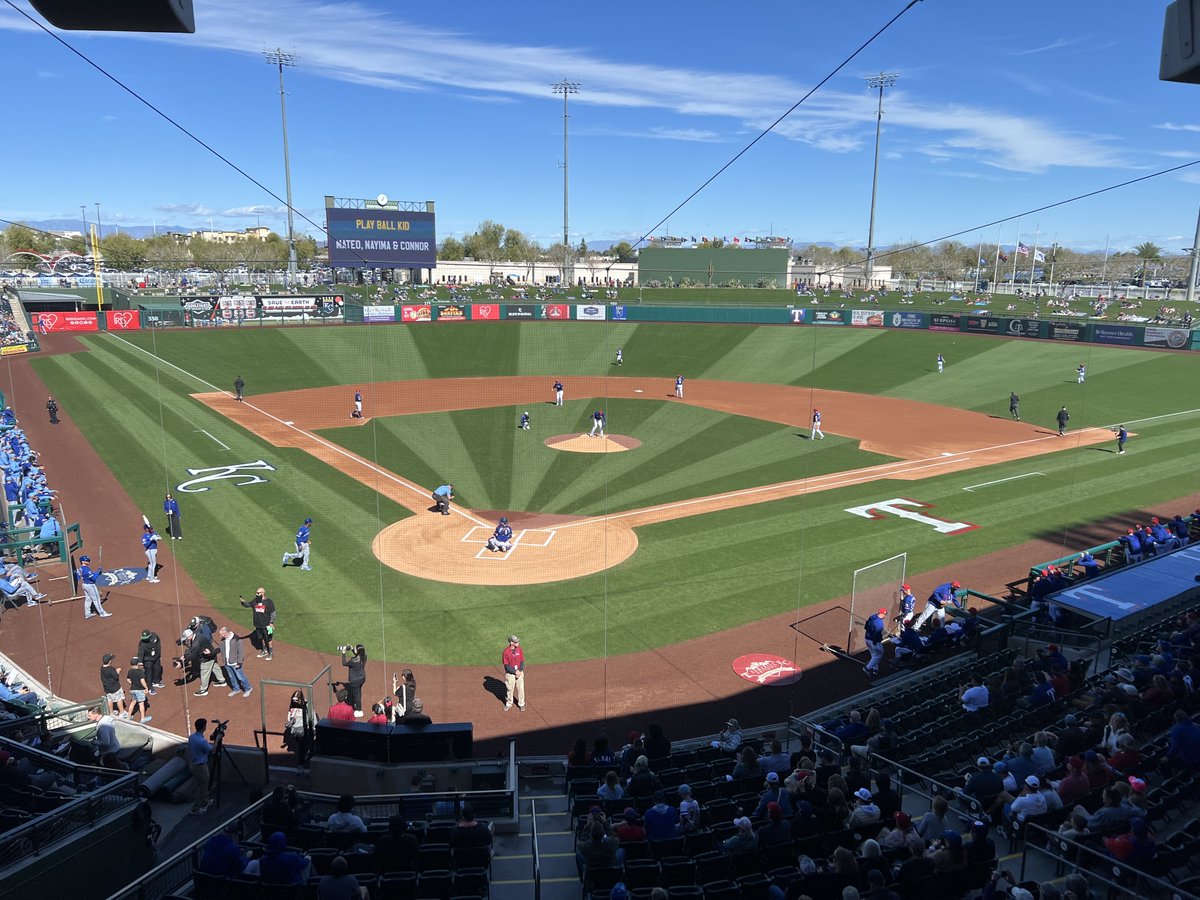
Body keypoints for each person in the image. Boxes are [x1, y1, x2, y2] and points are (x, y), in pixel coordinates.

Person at [188, 623, 227, 696]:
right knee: (214, 666)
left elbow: (221, 649)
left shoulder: (200, 636)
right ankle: (222, 680)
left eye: (221, 635)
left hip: (208, 655)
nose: (219, 636)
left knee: (204, 673)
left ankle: (203, 690)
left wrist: (211, 652)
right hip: (211, 653)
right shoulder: (198, 632)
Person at [240, 587, 276, 661]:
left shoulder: (269, 602)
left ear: (263, 593)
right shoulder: (255, 600)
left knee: (269, 639)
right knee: (261, 638)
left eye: (258, 593)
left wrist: (271, 623)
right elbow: (248, 605)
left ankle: (270, 653)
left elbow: (273, 613)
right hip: (258, 625)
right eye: (256, 593)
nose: (256, 594)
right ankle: (264, 651)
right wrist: (243, 602)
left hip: (267, 625)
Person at [188, 718, 214, 815]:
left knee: (203, 785)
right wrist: (218, 738)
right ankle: (196, 808)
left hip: (194, 764)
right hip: (200, 766)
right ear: (203, 727)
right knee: (202, 786)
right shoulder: (201, 741)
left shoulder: (192, 737)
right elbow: (212, 750)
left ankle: (205, 801)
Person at [218, 626, 252, 697]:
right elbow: (220, 649)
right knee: (231, 677)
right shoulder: (223, 640)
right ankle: (236, 689)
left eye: (221, 634)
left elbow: (241, 652)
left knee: (241, 677)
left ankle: (248, 688)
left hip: (235, 663)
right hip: (227, 662)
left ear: (226, 633)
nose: (220, 636)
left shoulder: (236, 639)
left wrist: (239, 663)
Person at [341, 644, 367, 717]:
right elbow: (357, 654)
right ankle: (358, 705)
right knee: (358, 692)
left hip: (355, 681)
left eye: (355, 649)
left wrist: (343, 653)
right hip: (362, 678)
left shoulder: (353, 661)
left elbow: (344, 663)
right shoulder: (364, 657)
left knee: (356, 695)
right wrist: (352, 649)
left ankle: (359, 710)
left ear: (358, 651)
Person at [502, 634, 525, 711]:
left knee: (521, 689)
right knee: (510, 689)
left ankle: (521, 704)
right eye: (516, 641)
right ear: (511, 642)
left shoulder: (519, 649)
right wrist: (515, 672)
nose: (518, 642)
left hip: (519, 672)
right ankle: (509, 703)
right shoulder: (506, 652)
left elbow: (522, 661)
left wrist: (520, 671)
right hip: (510, 674)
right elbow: (506, 666)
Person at [100, 653, 128, 718]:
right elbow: (116, 677)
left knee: (110, 700)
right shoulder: (111, 669)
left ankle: (111, 713)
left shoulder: (102, 668)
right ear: (109, 661)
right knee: (119, 699)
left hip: (107, 688)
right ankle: (122, 713)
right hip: (115, 688)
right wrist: (117, 671)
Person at [127, 656, 152, 724]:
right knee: (141, 704)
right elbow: (142, 681)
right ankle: (142, 718)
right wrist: (146, 687)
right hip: (139, 690)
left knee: (133, 702)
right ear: (137, 664)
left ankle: (128, 717)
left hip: (132, 689)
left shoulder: (130, 671)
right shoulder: (140, 672)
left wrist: (133, 683)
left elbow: (128, 679)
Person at [864, 607, 887, 677]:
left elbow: (866, 627)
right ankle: (867, 668)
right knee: (879, 654)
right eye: (885, 614)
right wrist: (876, 642)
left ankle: (875, 669)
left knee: (874, 654)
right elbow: (877, 635)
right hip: (873, 641)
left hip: (867, 638)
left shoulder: (872, 617)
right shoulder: (879, 623)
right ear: (883, 614)